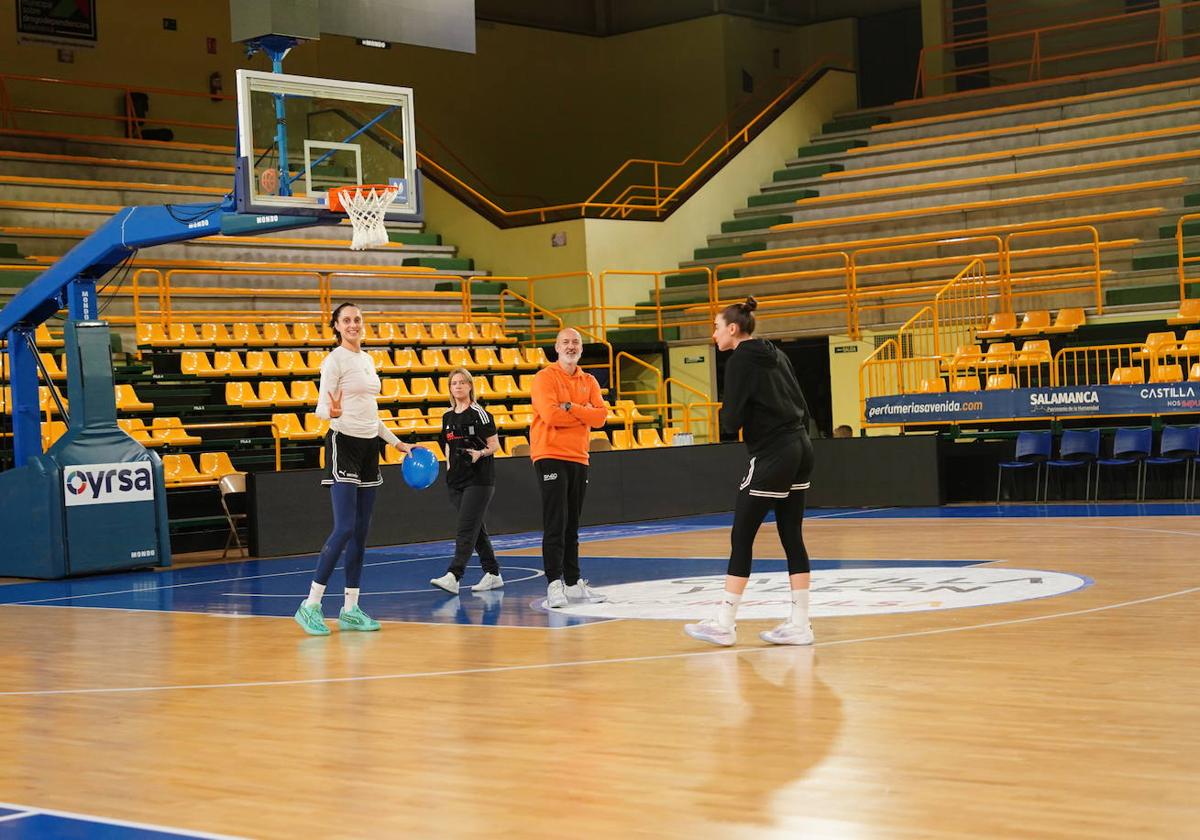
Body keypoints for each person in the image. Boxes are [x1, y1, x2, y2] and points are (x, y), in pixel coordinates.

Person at [685, 297, 816, 647]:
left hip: (774, 452)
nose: (713, 335)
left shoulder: (740, 358)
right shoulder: (777, 353)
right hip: (802, 446)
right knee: (792, 535)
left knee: (741, 535)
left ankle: (725, 622)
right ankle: (800, 624)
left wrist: (732, 417)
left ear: (732, 328)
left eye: (715, 327)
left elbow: (731, 420)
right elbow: (803, 405)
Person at [293, 302, 416, 636]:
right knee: (345, 526)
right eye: (346, 320)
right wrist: (331, 412)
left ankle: (350, 609)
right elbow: (322, 407)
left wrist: (396, 443)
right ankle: (310, 605)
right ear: (335, 325)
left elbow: (371, 414)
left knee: (361, 533)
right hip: (342, 444)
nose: (353, 324)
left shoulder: (367, 359)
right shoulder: (333, 361)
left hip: (368, 447)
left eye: (357, 320)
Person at [530, 327, 610, 609]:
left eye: (575, 342)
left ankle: (574, 584)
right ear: (556, 347)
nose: (571, 346)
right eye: (565, 342)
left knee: (572, 525)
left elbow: (600, 417)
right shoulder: (544, 378)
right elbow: (551, 415)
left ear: (581, 348)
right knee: (556, 522)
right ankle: (554, 584)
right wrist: (582, 412)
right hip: (550, 453)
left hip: (579, 456)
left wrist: (571, 407)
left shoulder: (589, 380)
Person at [430, 367, 504, 594]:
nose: (458, 386)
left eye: (462, 382)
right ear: (450, 388)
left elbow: (494, 445)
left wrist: (479, 453)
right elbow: (446, 445)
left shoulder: (479, 413)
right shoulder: (447, 416)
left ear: (470, 386)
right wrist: (449, 467)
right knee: (475, 528)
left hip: (479, 479)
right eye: (454, 383)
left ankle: (455, 574)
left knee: (465, 528)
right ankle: (492, 573)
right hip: (456, 481)